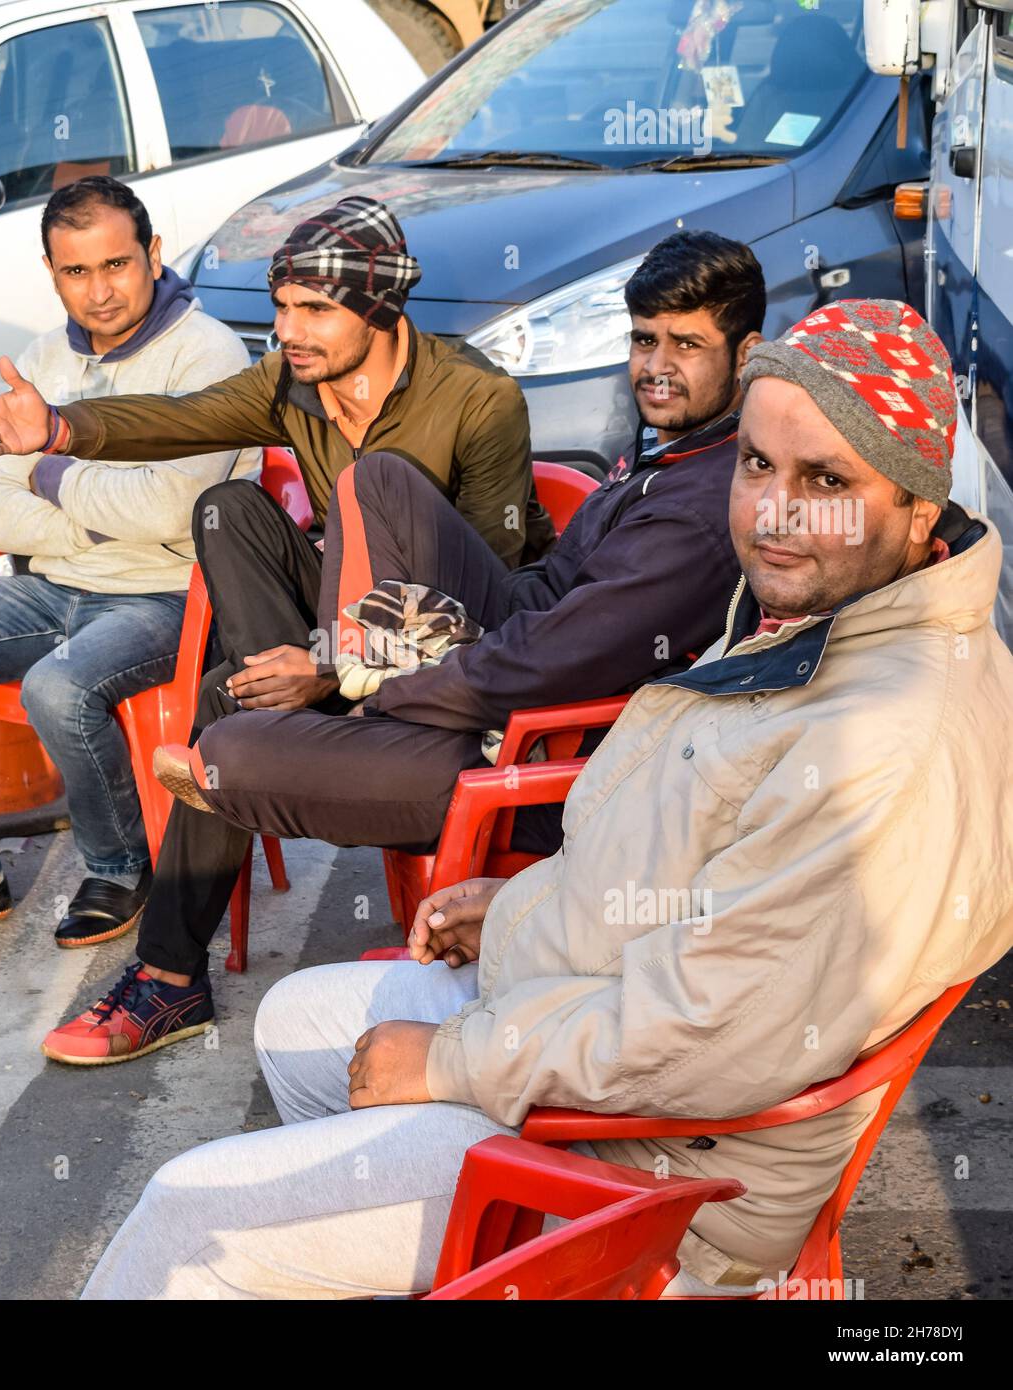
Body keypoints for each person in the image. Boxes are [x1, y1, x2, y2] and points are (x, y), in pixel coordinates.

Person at [80, 299, 1013, 1298]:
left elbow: (706, 1040)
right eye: (755, 465)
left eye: (826, 479)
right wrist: (517, 907)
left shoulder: (883, 742)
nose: (773, 512)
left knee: (188, 1217)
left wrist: (451, 1061)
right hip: (601, 1026)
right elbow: (688, 876)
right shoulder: (833, 613)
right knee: (294, 1021)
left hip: (660, 1172)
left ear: (919, 507)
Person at [38, 230, 766, 1066]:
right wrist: (59, 429)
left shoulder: (691, 506)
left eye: (686, 346)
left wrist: (357, 680)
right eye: (644, 340)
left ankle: (170, 974)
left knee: (224, 731)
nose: (656, 366)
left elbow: (543, 659)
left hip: (530, 760)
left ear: (744, 355)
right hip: (463, 661)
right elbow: (537, 598)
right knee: (347, 486)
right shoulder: (660, 459)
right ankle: (318, 704)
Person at [0, 178, 258, 945]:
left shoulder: (206, 356)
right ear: (51, 271)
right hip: (52, 589)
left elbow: (170, 513)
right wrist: (97, 517)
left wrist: (50, 472)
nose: (100, 291)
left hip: (168, 598)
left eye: (117, 265)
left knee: (59, 686)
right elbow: (0, 513)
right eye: (77, 272)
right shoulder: (42, 360)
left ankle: (118, 869)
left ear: (153, 255)